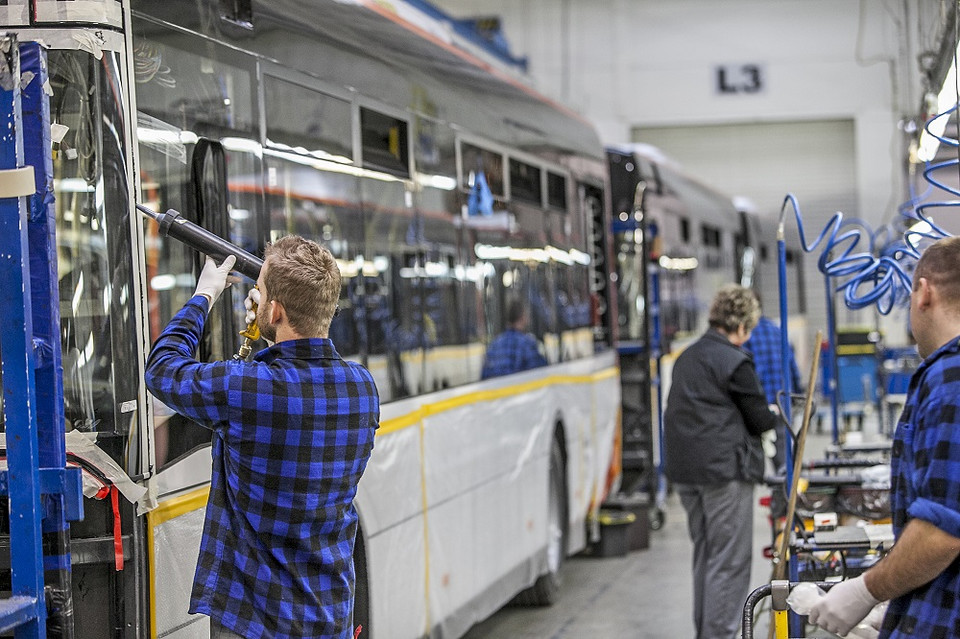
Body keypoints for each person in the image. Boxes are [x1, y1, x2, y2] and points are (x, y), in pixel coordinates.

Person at [144, 236, 379, 639]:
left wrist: (204, 295)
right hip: (328, 612)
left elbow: (163, 369)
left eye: (261, 290)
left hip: (253, 620)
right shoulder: (361, 388)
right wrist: (257, 336)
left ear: (275, 310)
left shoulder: (248, 390)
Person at [808, 236, 960, 638]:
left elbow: (944, 531)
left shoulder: (950, 378)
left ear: (924, 293)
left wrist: (864, 590)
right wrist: (900, 601)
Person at [663, 284, 779, 639]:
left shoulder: (688, 356)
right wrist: (775, 414)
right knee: (729, 563)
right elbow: (759, 419)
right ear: (741, 325)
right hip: (723, 473)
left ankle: (707, 633)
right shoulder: (735, 361)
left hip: (685, 473)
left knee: (706, 555)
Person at [743, 305, 803, 472]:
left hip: (756, 406)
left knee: (752, 458)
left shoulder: (746, 336)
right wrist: (798, 393)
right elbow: (792, 366)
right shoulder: (777, 330)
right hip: (781, 403)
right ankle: (784, 493)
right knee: (783, 459)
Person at [480, 299, 547, 379]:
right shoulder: (527, 343)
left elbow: (484, 376)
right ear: (523, 317)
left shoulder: (493, 345)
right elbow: (541, 372)